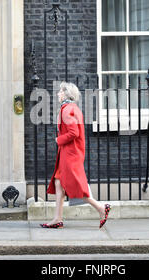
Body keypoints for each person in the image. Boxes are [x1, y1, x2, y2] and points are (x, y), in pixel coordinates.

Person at [40, 82, 111, 229]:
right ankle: (57, 219)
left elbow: (74, 133)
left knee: (76, 187)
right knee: (59, 183)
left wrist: (58, 140)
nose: (58, 94)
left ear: (66, 94)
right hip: (71, 153)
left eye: (60, 92)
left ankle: (101, 208)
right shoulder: (73, 108)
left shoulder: (67, 110)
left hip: (70, 154)